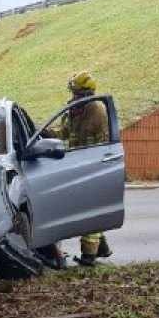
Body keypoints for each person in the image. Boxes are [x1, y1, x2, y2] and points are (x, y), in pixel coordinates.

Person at [60, 71, 113, 266]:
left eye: (75, 92)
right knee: (89, 208)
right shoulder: (76, 110)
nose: (72, 96)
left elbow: (100, 142)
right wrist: (46, 133)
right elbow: (65, 133)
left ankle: (89, 255)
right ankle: (102, 248)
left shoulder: (96, 111)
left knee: (88, 208)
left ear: (84, 93)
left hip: (93, 165)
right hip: (78, 163)